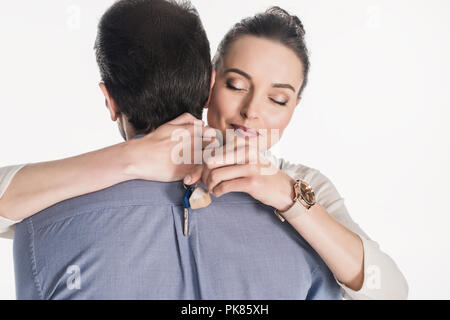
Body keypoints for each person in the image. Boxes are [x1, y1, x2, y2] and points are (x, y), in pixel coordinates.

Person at [0, 1, 408, 300]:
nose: (252, 112)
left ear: (296, 107)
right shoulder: (88, 190)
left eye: (278, 99)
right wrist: (130, 160)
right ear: (209, 83)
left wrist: (287, 196)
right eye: (236, 85)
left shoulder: (304, 185)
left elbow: (388, 291)